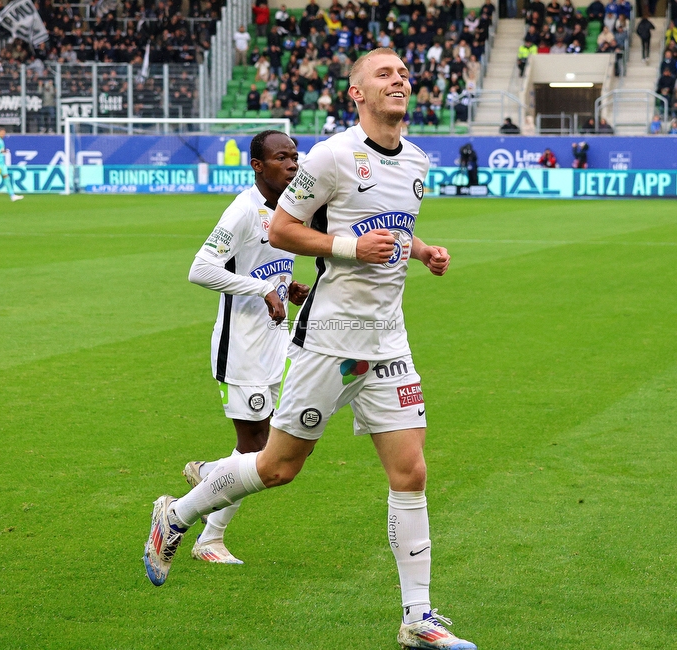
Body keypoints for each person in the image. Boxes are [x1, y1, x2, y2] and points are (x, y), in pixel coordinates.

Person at [142, 47, 477, 650]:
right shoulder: (330, 156)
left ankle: (417, 618)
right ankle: (178, 514)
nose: (399, 79)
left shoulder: (419, 159)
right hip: (329, 339)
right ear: (357, 93)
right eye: (384, 73)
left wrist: (422, 251)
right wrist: (349, 249)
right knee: (278, 467)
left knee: (411, 472)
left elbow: (392, 223)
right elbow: (281, 229)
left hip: (388, 338)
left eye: (403, 72)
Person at [184, 130, 310, 564]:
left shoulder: (287, 210)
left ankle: (212, 475)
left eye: (295, 156)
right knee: (258, 449)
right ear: (258, 165)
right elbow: (200, 269)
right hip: (239, 346)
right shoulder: (243, 210)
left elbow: (265, 267)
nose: (293, 164)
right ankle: (209, 538)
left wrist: (283, 286)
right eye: (282, 158)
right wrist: (261, 289)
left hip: (276, 341)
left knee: (268, 445)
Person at [0, 129, 24, 203]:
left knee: (6, 178)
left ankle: (12, 195)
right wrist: (2, 151)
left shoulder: (1, 140)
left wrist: (2, 152)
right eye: (2, 133)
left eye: (4, 133)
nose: (3, 134)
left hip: (2, 164)